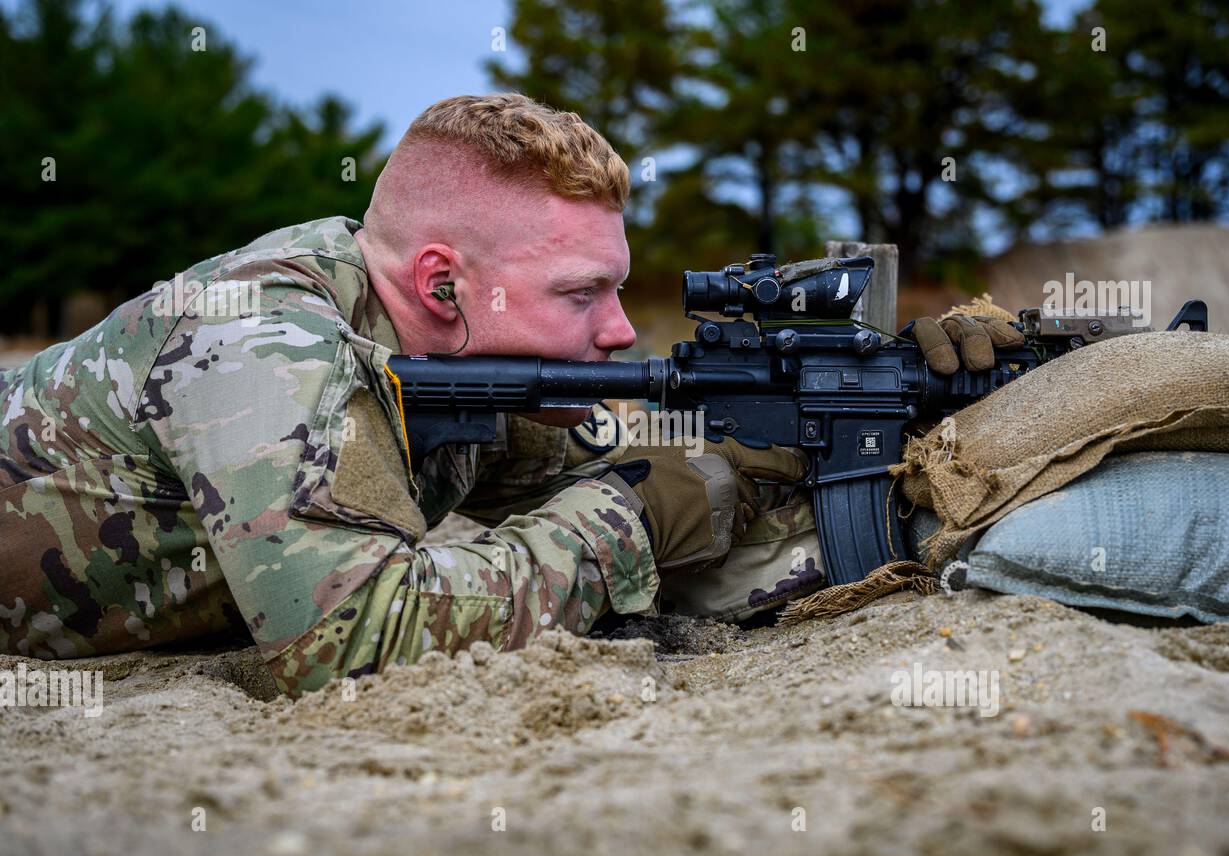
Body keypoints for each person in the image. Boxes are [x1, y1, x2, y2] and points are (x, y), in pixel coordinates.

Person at [0, 93, 812, 696]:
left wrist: (842, 436)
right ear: (443, 284)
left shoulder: (468, 359)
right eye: (580, 294)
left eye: (618, 288)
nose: (620, 329)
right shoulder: (262, 345)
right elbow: (353, 641)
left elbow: (640, 473)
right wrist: (625, 520)